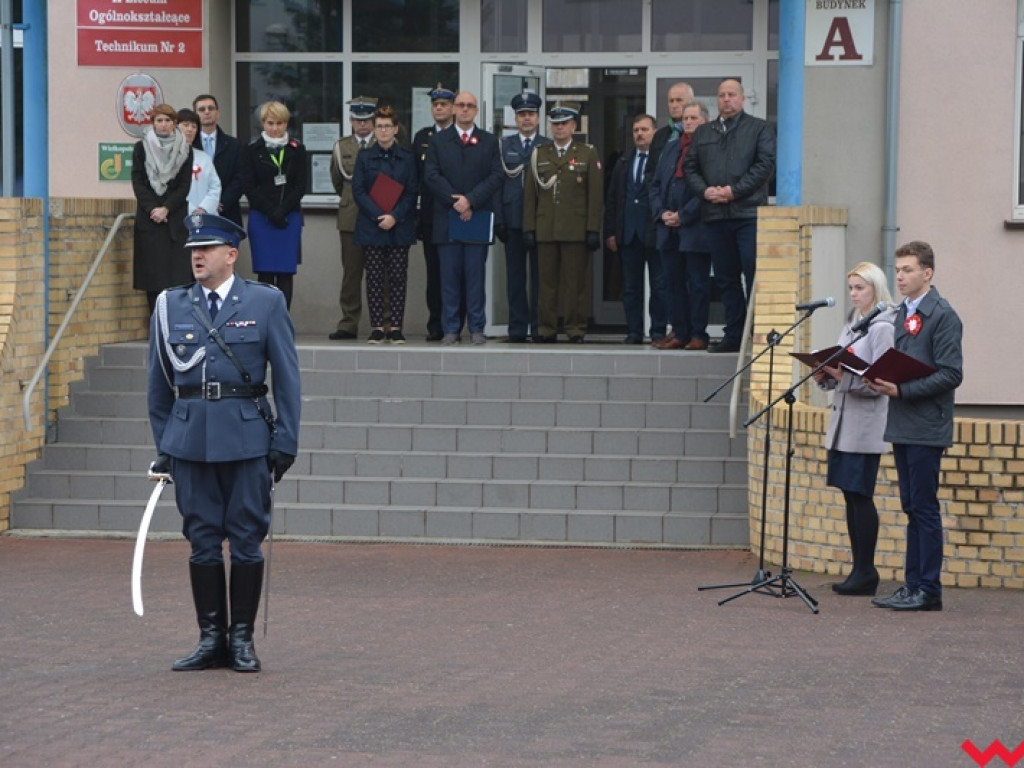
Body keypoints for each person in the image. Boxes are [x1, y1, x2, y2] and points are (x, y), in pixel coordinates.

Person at [146, 213, 300, 673]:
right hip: (191, 442)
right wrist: (167, 444)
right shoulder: (170, 305)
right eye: (194, 248)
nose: (197, 255)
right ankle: (210, 638)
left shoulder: (266, 301)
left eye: (208, 248)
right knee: (202, 542)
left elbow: (288, 379)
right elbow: (158, 387)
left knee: (248, 541)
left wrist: (286, 441)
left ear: (231, 255)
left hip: (247, 439)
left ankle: (242, 642)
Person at [867, 241, 963, 612]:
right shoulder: (899, 313)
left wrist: (902, 389)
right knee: (910, 505)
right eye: (898, 269)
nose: (900, 276)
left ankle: (929, 589)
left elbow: (952, 373)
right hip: (904, 421)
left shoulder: (942, 314)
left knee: (923, 507)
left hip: (926, 423)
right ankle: (912, 586)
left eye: (908, 269)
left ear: (928, 273)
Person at [813, 262, 896, 596]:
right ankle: (858, 569)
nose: (854, 294)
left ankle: (866, 571)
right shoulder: (852, 323)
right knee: (849, 494)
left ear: (876, 288)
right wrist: (824, 374)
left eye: (860, 288)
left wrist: (842, 376)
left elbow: (882, 380)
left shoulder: (882, 326)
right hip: (843, 422)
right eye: (851, 288)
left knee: (860, 495)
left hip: (864, 425)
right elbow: (843, 366)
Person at [684, 78, 776, 353]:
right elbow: (690, 168)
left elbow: (764, 166)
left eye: (732, 94)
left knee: (752, 274)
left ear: (743, 98)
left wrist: (734, 191)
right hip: (714, 216)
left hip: (747, 215)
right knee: (726, 279)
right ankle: (733, 336)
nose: (727, 99)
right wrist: (706, 192)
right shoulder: (704, 133)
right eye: (722, 95)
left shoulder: (759, 128)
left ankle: (758, 335)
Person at [424, 90, 503, 346]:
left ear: (476, 110)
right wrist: (455, 200)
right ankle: (451, 328)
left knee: (474, 277)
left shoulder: (489, 141)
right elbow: (431, 175)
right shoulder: (438, 141)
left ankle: (477, 328)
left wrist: (470, 200)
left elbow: (495, 176)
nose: (465, 109)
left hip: (476, 217)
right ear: (454, 109)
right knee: (448, 278)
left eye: (470, 105)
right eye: (461, 105)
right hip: (447, 217)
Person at [523, 102, 603, 344]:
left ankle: (575, 328)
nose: (559, 128)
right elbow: (530, 194)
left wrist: (592, 228)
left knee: (574, 284)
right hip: (546, 228)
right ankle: (546, 329)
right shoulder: (540, 153)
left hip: (575, 229)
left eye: (564, 124)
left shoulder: (587, 153)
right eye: (556, 124)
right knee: (546, 284)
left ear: (574, 126)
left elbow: (595, 195)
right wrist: (529, 227)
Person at [351, 105, 418, 344]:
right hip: (372, 226)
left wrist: (394, 216)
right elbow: (358, 190)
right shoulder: (365, 156)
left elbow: (412, 192)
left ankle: (396, 327)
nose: (383, 131)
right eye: (379, 126)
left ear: (395, 129)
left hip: (399, 226)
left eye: (387, 126)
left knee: (399, 277)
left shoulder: (407, 158)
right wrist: (378, 215)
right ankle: (378, 327)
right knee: (375, 278)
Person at [650, 100, 713, 351]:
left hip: (695, 228)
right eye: (685, 118)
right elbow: (655, 185)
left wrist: (683, 215)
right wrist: (661, 212)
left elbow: (706, 188)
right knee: (672, 282)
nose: (688, 122)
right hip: (668, 228)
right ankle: (679, 331)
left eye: (693, 118)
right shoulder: (672, 148)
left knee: (697, 283)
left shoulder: (709, 149)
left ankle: (698, 333)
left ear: (705, 122)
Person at [603, 113, 667, 344]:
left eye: (644, 130)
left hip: (654, 233)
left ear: (654, 132)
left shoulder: (661, 160)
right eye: (636, 130)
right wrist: (610, 232)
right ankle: (634, 331)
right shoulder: (623, 162)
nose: (639, 134)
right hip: (628, 234)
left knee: (659, 286)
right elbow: (612, 199)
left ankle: (658, 331)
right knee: (631, 287)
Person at [495, 90, 551, 343]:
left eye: (531, 114)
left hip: (540, 223)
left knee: (541, 280)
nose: (527, 119)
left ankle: (540, 328)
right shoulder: (504, 145)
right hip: (513, 220)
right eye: (522, 115)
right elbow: (498, 184)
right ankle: (518, 328)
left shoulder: (548, 146)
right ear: (515, 119)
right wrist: (499, 220)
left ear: (538, 118)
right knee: (515, 280)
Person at [241, 100, 307, 309]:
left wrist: (282, 210)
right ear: (263, 123)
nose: (275, 128)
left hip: (289, 218)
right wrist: (271, 211)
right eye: (271, 123)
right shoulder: (252, 150)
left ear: (286, 124)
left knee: (286, 272)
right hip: (262, 218)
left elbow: (300, 186)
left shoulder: (296, 149)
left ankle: (282, 320)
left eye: (280, 123)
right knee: (266, 271)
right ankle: (265, 319)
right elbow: (249, 186)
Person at [131, 103, 194, 316]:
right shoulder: (141, 148)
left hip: (174, 220)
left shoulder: (185, 148)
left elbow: (185, 185)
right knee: (153, 278)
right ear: (153, 123)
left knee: (178, 278)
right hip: (150, 222)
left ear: (174, 122)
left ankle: (176, 326)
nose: (164, 125)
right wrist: (153, 209)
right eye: (159, 120)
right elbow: (138, 181)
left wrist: (166, 208)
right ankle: (156, 324)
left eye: (168, 120)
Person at [329, 96, 378, 340]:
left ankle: (383, 323)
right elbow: (338, 181)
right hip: (350, 217)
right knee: (351, 274)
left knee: (380, 273)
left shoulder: (385, 142)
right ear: (351, 121)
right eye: (358, 120)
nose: (363, 125)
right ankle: (348, 322)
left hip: (379, 215)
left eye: (367, 120)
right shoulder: (342, 146)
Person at [413, 83, 457, 341]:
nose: (439, 108)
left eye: (443, 104)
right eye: (435, 104)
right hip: (430, 214)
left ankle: (455, 322)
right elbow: (416, 179)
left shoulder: (461, 136)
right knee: (435, 273)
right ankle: (436, 324)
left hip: (457, 212)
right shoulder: (422, 137)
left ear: (452, 108)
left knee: (457, 272)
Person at [191, 94, 244, 226]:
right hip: (195, 213)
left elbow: (241, 178)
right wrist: (202, 206)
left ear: (218, 113)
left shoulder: (234, 145)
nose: (207, 112)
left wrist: (220, 203)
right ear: (195, 115)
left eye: (211, 108)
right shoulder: (188, 146)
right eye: (202, 110)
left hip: (226, 213)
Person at [647, 82, 694, 184]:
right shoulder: (660, 135)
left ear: (690, 102)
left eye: (679, 100)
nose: (674, 105)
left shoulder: (698, 133)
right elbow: (650, 171)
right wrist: (654, 196)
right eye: (671, 101)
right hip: (661, 196)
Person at [177, 108, 222, 216]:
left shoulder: (204, 158)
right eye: (186, 125)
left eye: (194, 126)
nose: (190, 129)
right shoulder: (166, 158)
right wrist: (191, 209)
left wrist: (204, 208)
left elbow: (215, 186)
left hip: (205, 216)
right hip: (178, 216)